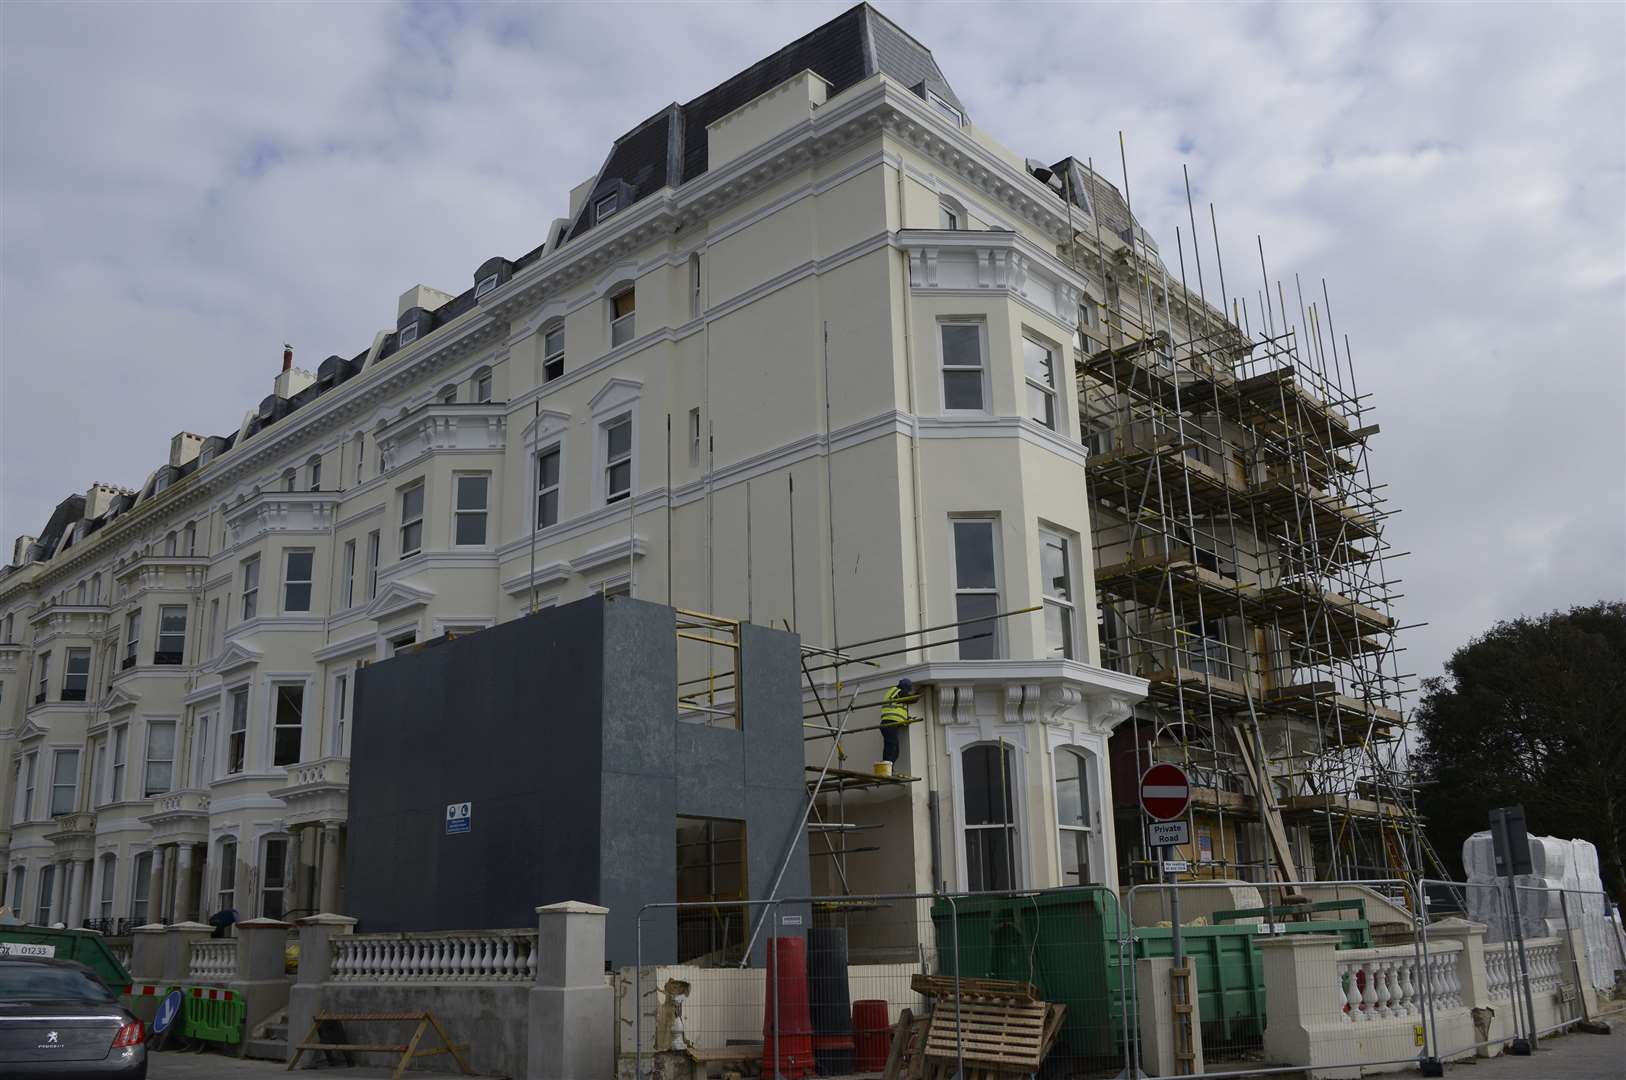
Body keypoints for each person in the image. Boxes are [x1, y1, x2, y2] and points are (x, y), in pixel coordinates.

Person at [879, 678, 915, 768]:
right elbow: (910, 699)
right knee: (891, 747)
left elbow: (898, 711)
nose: (907, 692)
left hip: (891, 724)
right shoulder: (896, 691)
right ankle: (886, 769)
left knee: (895, 750)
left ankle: (889, 768)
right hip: (889, 724)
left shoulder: (898, 694)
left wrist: (906, 720)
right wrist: (919, 694)